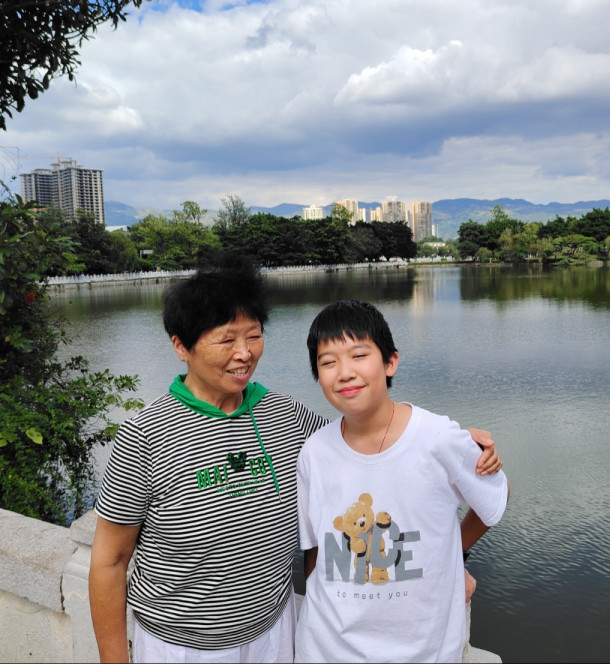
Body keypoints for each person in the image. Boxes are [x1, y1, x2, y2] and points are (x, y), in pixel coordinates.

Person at [88, 253, 503, 663]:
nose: (244, 353)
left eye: (253, 336)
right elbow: (110, 561)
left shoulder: (284, 415)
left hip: (275, 631)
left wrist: (456, 442)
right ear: (182, 346)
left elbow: (364, 442)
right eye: (226, 339)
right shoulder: (145, 435)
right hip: (180, 646)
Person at [295, 299, 510, 663]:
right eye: (328, 362)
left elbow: (493, 500)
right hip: (326, 648)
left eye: (359, 355)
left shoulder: (438, 438)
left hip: (422, 649)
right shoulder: (315, 451)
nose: (344, 372)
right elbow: (315, 549)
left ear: (390, 362)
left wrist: (451, 553)